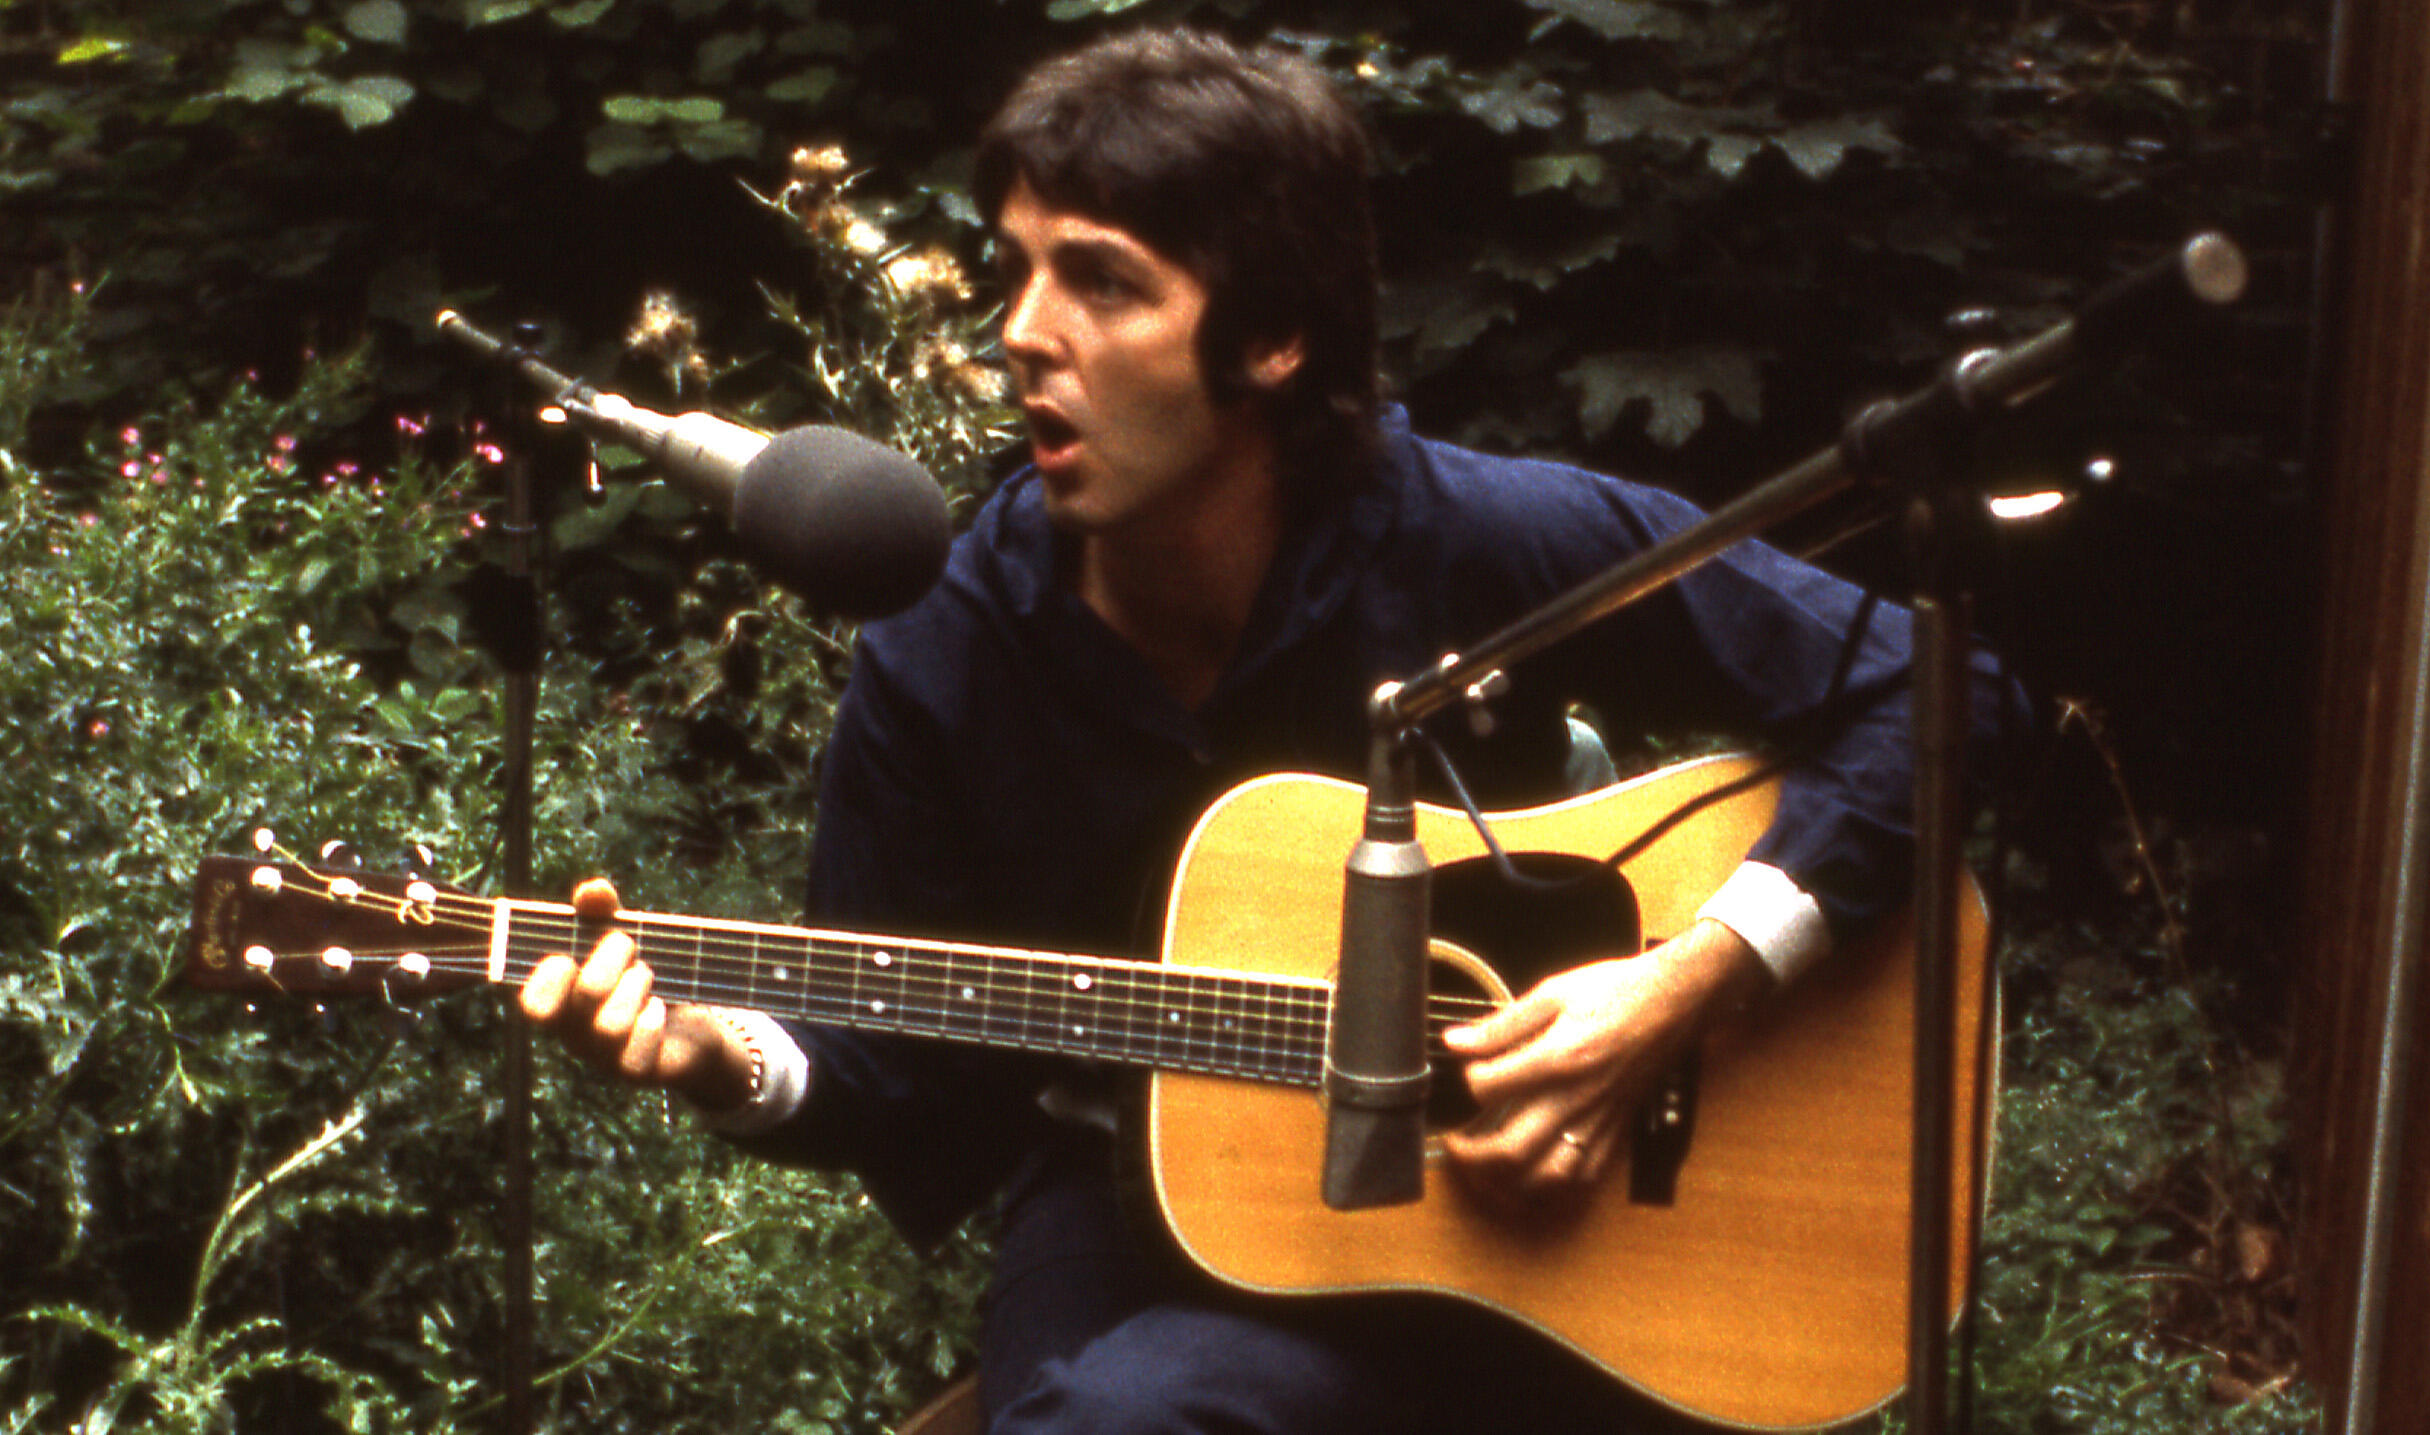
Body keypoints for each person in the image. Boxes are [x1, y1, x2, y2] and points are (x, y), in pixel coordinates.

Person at [523, 26, 2007, 1434]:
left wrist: (1691, 983)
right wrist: (714, 1049)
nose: (1021, 333)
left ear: (1276, 337)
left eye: (1101, 283)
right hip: (1144, 1216)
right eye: (1016, 269)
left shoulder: (1477, 536)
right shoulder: (946, 642)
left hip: (1571, 1222)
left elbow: (1943, 692)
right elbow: (886, 1062)